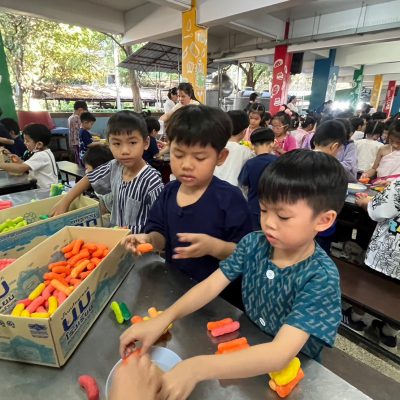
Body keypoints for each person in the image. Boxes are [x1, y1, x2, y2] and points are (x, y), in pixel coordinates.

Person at [119, 150, 347, 400]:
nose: (269, 223)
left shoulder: (321, 277)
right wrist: (165, 318)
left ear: (323, 220)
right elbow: (210, 286)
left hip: (293, 369)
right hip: (247, 348)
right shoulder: (253, 244)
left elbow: (280, 354)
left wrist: (195, 368)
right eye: (263, 210)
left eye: (283, 216)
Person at [123, 105, 253, 307]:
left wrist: (214, 247)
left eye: (199, 157)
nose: (186, 165)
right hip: (177, 288)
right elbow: (160, 235)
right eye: (178, 154)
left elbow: (246, 253)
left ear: (220, 157)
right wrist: (149, 240)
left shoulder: (230, 199)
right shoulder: (169, 192)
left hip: (221, 300)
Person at [53, 111, 164, 233]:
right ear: (108, 144)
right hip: (114, 236)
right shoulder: (114, 166)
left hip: (138, 242)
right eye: (117, 143)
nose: (125, 151)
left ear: (146, 143)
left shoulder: (152, 181)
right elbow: (89, 178)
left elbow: (160, 224)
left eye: (132, 142)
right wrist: (65, 201)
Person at [355, 179, 400, 347]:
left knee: (369, 284)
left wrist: (365, 202)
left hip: (388, 253)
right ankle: (389, 332)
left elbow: (378, 211)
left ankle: (355, 318)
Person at [238, 127, 278, 230]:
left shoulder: (250, 163)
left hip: (254, 208)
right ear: (272, 143)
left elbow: (243, 184)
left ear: (253, 145)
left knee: (254, 235)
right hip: (274, 207)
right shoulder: (279, 162)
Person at [0, 124, 58, 188]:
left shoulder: (41, 155)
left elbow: (20, 169)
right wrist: (19, 160)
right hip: (44, 188)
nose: (24, 143)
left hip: (45, 190)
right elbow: (29, 166)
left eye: (27, 141)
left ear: (39, 144)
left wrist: (1, 164)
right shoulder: (44, 152)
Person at [214, 110, 253, 186]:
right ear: (244, 131)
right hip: (235, 190)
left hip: (212, 189)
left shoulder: (215, 146)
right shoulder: (246, 151)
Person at [335, 118, 358, 183]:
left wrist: (330, 164)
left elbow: (348, 164)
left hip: (346, 180)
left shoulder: (350, 145)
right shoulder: (331, 143)